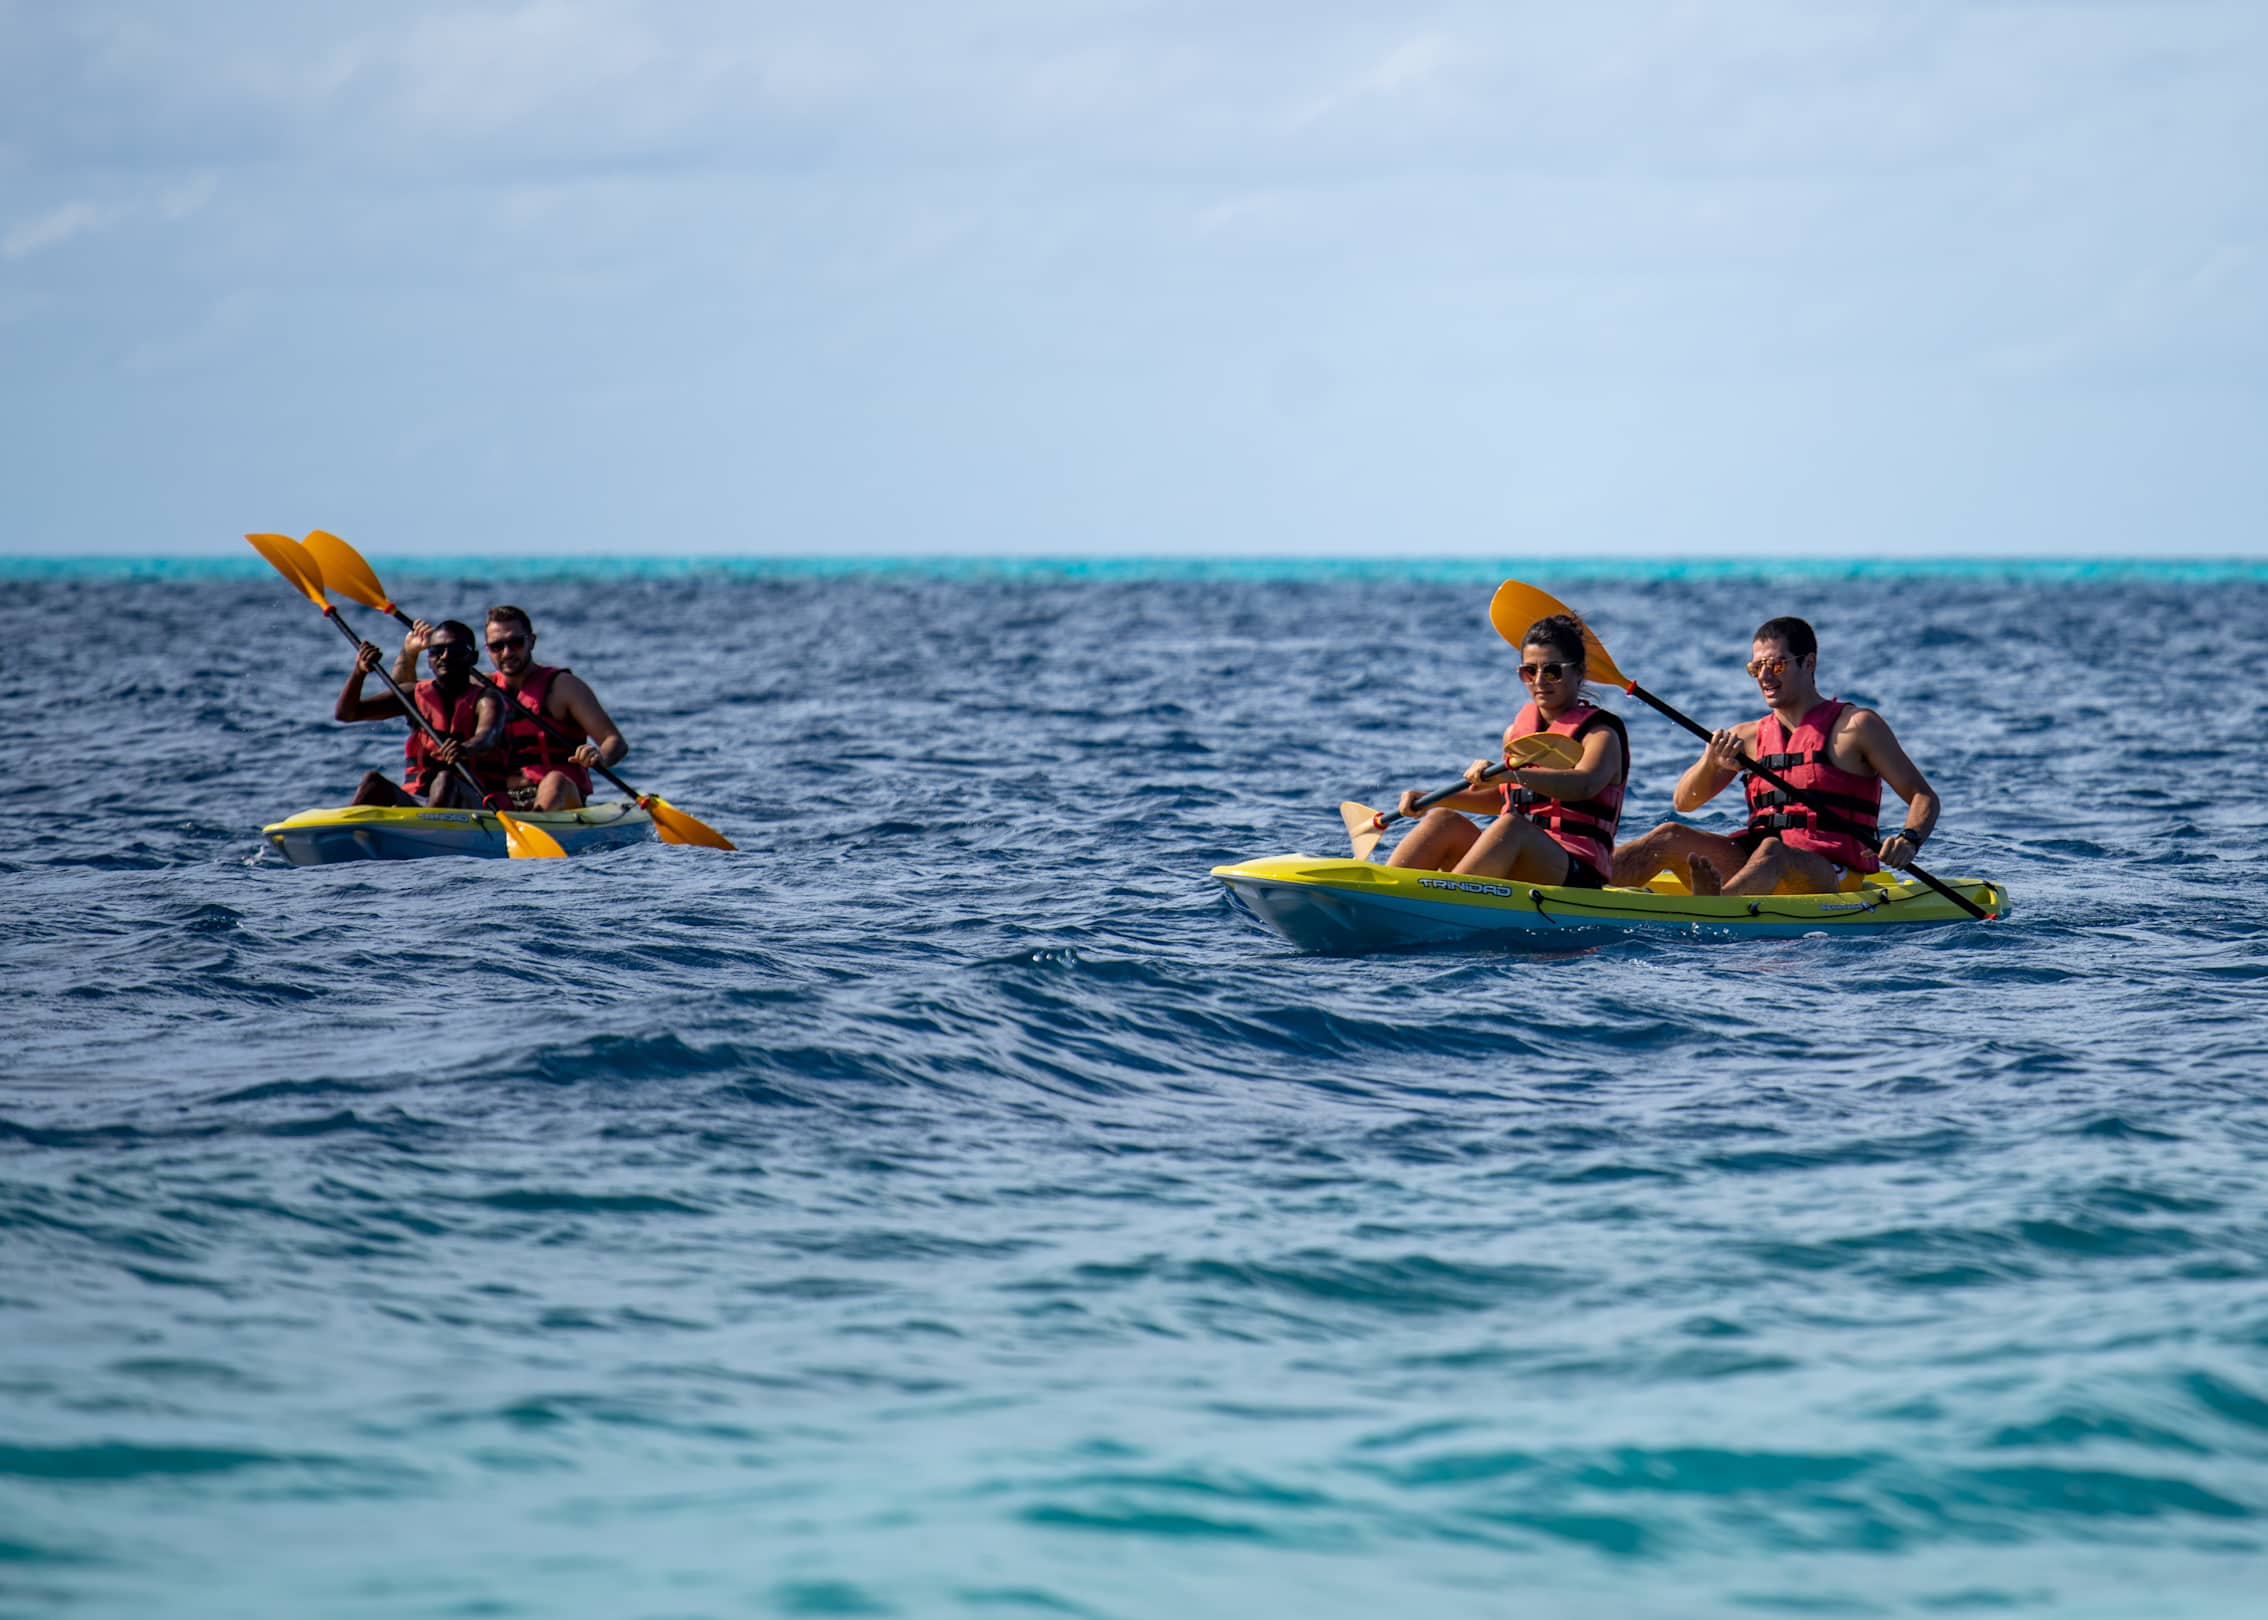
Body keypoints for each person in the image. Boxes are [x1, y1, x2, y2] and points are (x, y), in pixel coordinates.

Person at [1610, 616, 1939, 895]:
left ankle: (1717, 906)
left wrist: (1908, 839)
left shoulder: (1857, 726)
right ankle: (1586, 882)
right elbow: (1684, 802)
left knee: (1774, 851)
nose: (1765, 677)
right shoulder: (1747, 737)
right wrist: (1711, 763)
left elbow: (1923, 796)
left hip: (1830, 871)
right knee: (1669, 835)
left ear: (1809, 663)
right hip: (1756, 865)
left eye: (1776, 665)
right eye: (1756, 668)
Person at [1384, 614, 1630, 887]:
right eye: (1529, 671)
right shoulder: (1515, 733)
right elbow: (1506, 798)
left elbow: (1584, 785)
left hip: (1575, 871)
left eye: (1552, 671)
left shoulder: (1600, 735)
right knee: (1443, 820)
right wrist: (1433, 799)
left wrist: (1511, 774)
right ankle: (1384, 889)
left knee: (1511, 827)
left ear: (1579, 672)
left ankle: (1444, 897)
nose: (1539, 681)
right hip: (1520, 852)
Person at [335, 619, 508, 808]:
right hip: (419, 801)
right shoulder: (413, 694)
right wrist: (359, 672)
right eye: (436, 651)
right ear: (429, 658)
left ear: (473, 658)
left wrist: (465, 749)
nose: (445, 656)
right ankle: (346, 826)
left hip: (476, 801)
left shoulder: (488, 699)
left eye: (456, 650)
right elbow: (346, 714)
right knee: (373, 783)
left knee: (445, 780)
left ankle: (432, 824)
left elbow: (487, 736)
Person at [480, 605, 628, 810]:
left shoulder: (564, 687)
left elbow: (615, 741)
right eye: (497, 646)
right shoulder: (480, 689)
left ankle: (539, 821)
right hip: (501, 800)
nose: (507, 653)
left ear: (531, 641)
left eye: (515, 643)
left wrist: (599, 757)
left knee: (555, 780)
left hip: (561, 797)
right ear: (487, 649)